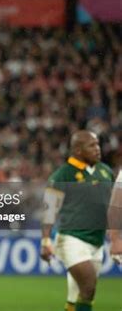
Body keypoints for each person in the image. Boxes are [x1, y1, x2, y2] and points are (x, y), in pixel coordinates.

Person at [40, 130, 115, 311]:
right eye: (92, 145)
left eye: (97, 144)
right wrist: (45, 240)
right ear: (78, 150)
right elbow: (49, 211)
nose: (98, 149)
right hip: (71, 239)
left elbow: (114, 207)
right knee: (88, 286)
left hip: (97, 242)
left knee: (79, 298)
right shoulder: (62, 175)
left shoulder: (105, 172)